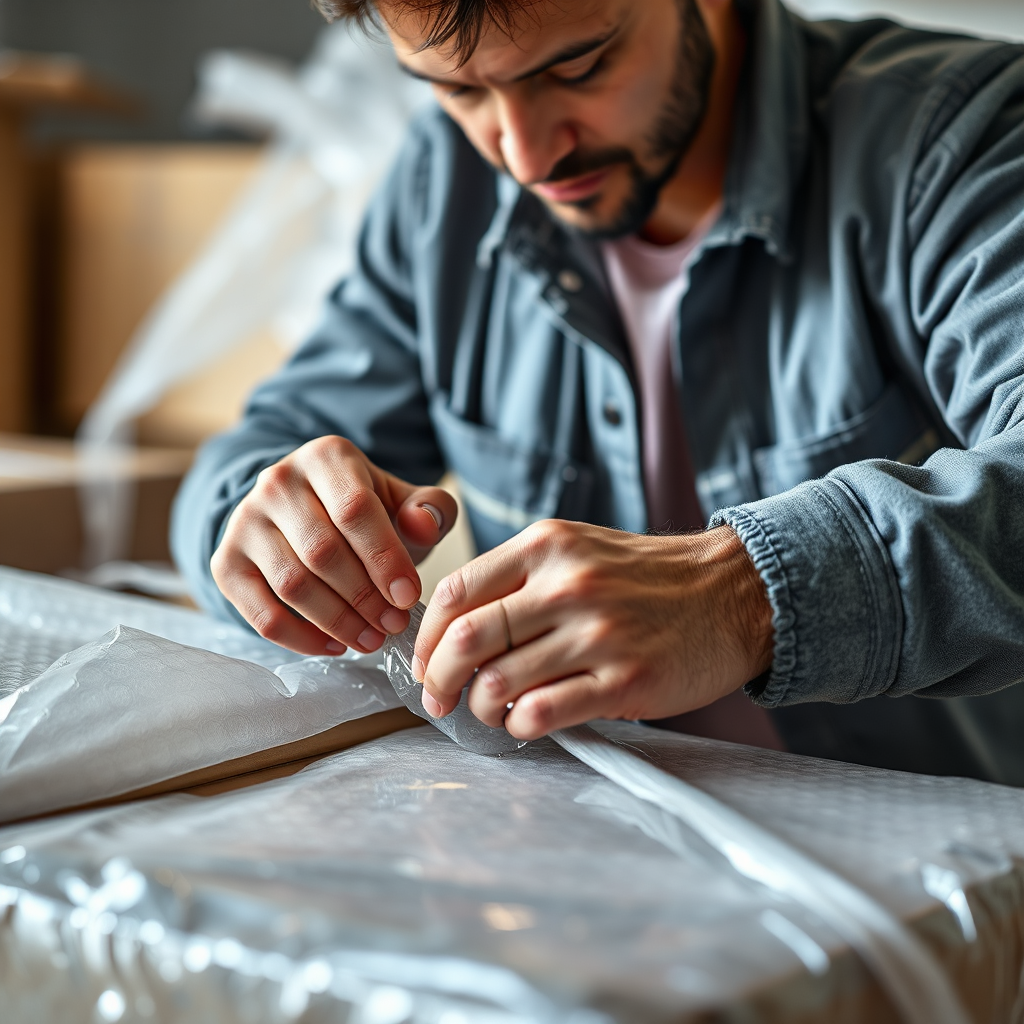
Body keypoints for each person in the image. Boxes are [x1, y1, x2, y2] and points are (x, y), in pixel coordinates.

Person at [173, 0, 1024, 782]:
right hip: (579, 850)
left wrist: (746, 596)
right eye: (459, 90)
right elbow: (260, 454)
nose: (525, 156)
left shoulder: (966, 136)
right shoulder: (442, 183)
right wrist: (268, 532)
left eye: (578, 67)